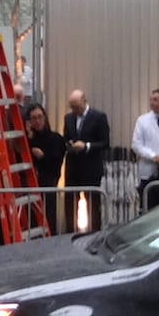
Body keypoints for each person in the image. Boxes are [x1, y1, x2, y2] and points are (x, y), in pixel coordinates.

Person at [62, 89, 110, 232]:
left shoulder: (99, 117)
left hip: (91, 168)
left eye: (77, 106)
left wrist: (87, 146)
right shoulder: (68, 118)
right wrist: (69, 144)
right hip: (73, 168)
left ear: (84, 101)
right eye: (72, 107)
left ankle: (94, 233)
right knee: (70, 205)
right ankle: (70, 233)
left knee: (93, 205)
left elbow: (105, 143)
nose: (74, 110)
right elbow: (66, 138)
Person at [26, 103, 65, 235]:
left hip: (48, 185)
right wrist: (29, 138)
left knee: (49, 219)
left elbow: (55, 164)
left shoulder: (56, 139)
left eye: (40, 117)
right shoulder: (29, 140)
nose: (37, 121)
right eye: (33, 118)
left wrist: (42, 157)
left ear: (45, 118)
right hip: (31, 187)